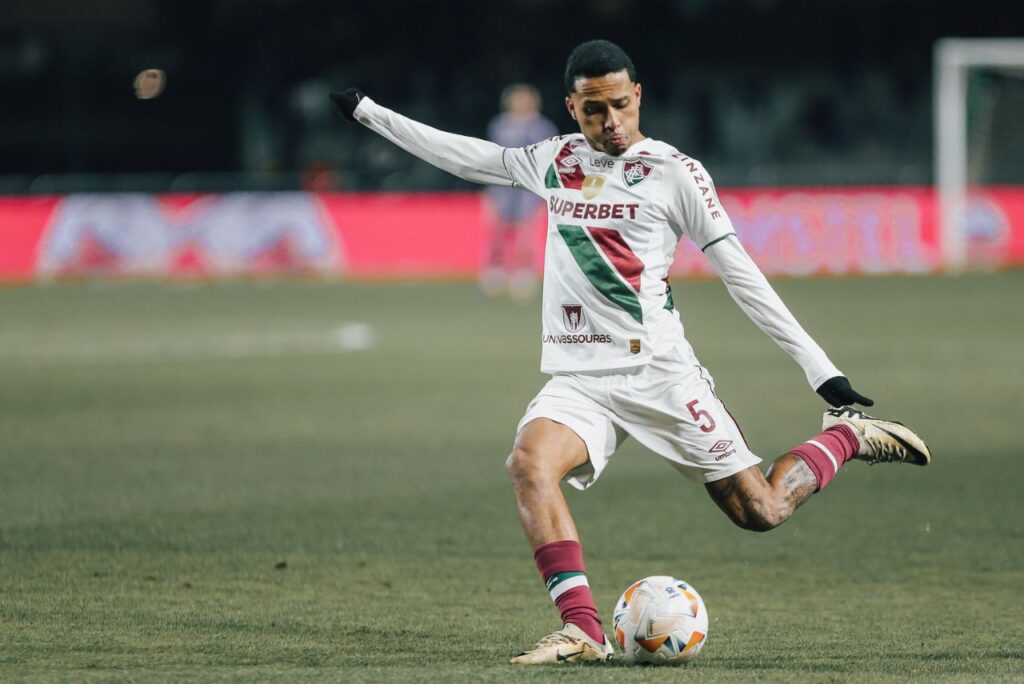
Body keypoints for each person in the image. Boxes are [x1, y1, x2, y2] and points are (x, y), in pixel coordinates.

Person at [330, 39, 931, 665]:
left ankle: (847, 438)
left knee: (763, 510)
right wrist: (370, 113)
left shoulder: (676, 172)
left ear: (638, 95)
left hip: (660, 374)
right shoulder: (553, 159)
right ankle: (584, 631)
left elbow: (741, 274)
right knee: (528, 465)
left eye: (620, 105)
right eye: (594, 111)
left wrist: (821, 370)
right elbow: (466, 156)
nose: (610, 123)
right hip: (579, 378)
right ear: (571, 107)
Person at [481, 84, 558, 299]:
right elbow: (490, 156)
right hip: (501, 186)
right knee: (495, 232)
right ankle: (494, 274)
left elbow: (547, 160)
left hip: (529, 188)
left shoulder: (543, 127)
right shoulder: (499, 125)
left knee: (527, 234)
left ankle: (524, 275)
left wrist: (545, 191)